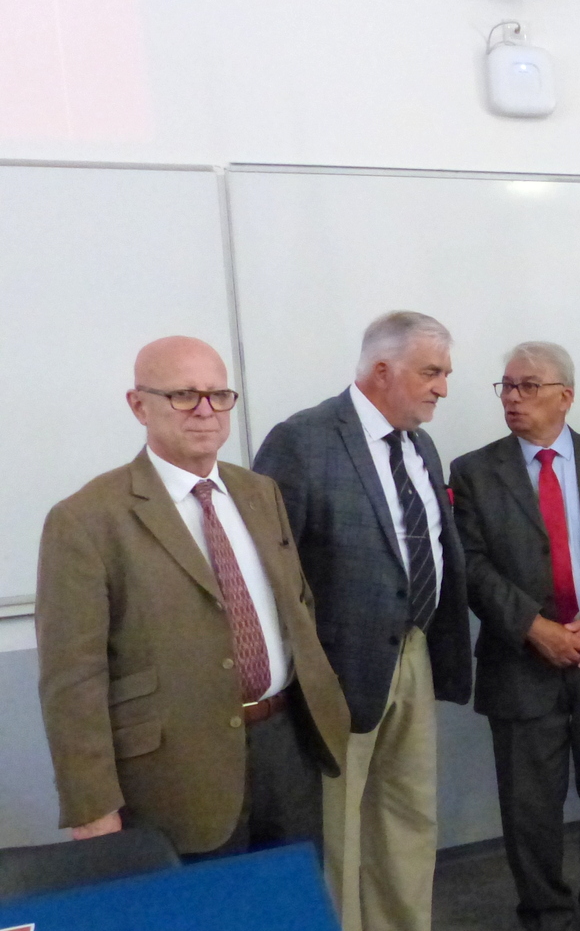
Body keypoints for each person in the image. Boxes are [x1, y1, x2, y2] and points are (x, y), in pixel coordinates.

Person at [36, 336, 348, 860]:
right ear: (139, 405)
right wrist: (92, 803)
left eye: (218, 394)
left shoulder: (259, 493)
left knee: (289, 919)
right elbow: (72, 677)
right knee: (205, 930)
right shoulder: (87, 519)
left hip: (285, 747)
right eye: (183, 395)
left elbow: (297, 606)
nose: (205, 411)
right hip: (176, 771)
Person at [254, 312, 479, 931]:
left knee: (410, 810)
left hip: (412, 651)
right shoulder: (303, 441)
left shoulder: (420, 446)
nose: (443, 388)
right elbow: (272, 566)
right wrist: (302, 670)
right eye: (431, 372)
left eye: (445, 373)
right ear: (383, 371)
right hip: (336, 669)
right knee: (340, 826)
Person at [449, 342, 580, 931]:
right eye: (505, 386)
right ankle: (544, 918)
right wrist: (532, 627)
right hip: (522, 664)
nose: (512, 397)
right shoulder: (473, 471)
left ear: (565, 395)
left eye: (528, 386)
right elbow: (471, 565)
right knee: (531, 807)